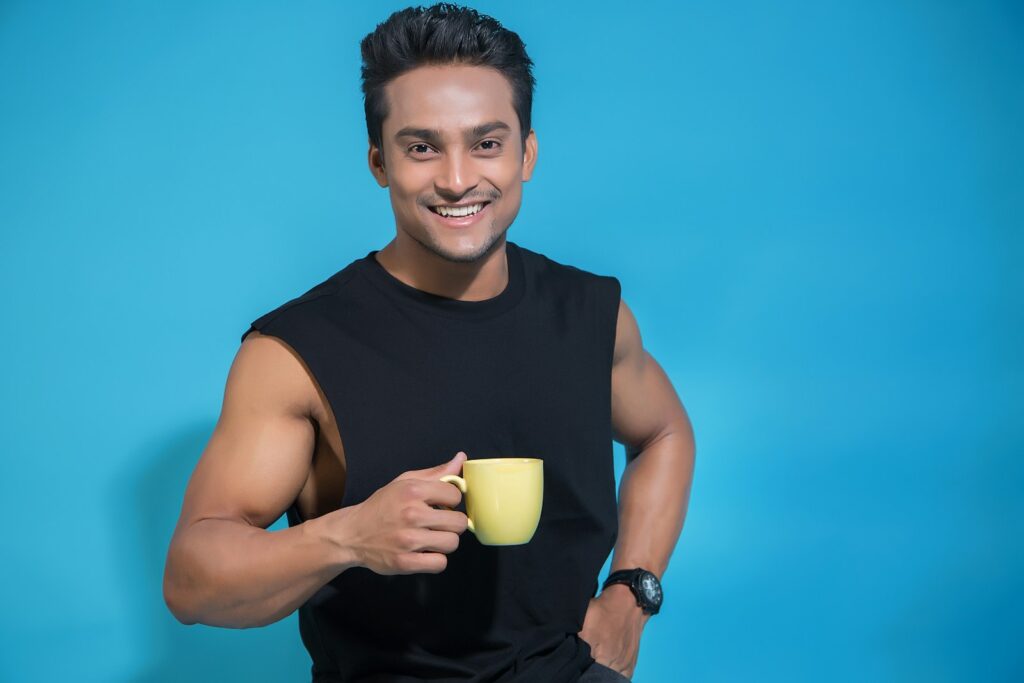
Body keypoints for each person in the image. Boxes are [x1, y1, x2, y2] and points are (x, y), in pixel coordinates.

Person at [162, 3, 695, 682]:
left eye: (486, 142)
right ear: (379, 162)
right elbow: (190, 580)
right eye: (421, 147)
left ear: (526, 152)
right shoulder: (294, 353)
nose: (456, 177)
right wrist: (346, 536)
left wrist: (632, 592)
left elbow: (665, 434)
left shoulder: (592, 315)